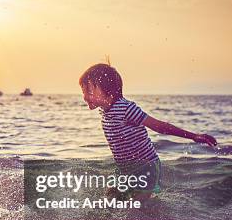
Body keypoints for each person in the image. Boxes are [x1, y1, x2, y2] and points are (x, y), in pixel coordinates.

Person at [79, 63, 217, 200]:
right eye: (83, 91)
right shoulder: (105, 111)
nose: (84, 97)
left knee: (136, 207)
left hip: (146, 168)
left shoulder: (127, 109)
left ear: (108, 92)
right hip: (126, 170)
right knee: (110, 199)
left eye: (89, 91)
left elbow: (159, 127)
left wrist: (194, 136)